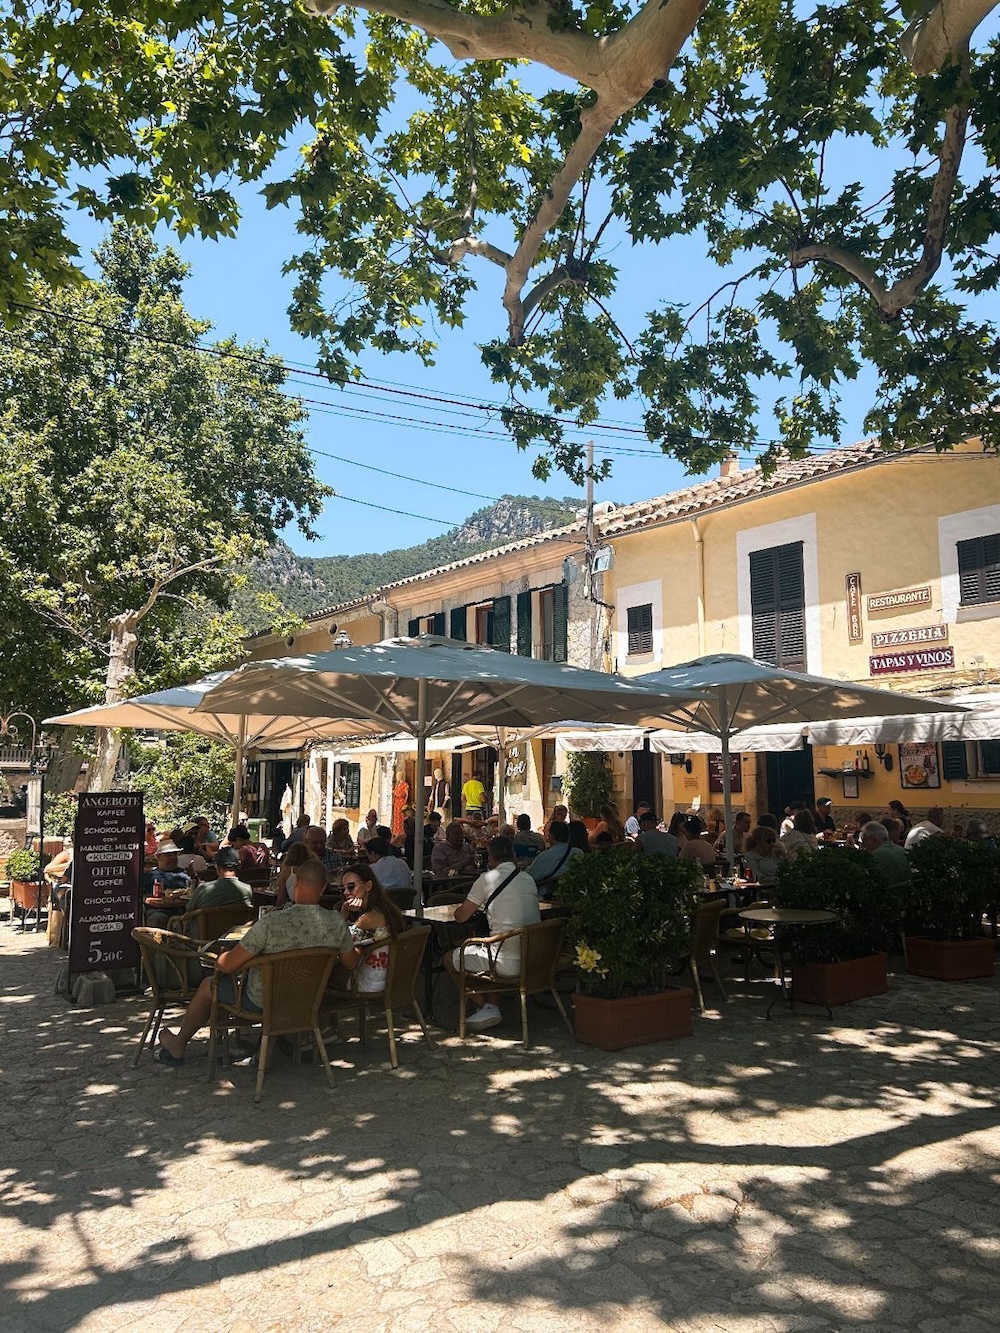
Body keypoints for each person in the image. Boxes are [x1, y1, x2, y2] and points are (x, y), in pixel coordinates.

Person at [155, 859, 354, 1066]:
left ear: (296, 885)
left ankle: (179, 1045)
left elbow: (227, 965)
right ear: (323, 888)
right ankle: (264, 1049)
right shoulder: (336, 922)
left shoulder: (271, 923)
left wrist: (221, 956)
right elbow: (349, 963)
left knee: (209, 985)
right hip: (308, 998)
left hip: (262, 1000)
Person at [444, 836, 541, 1029]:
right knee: (487, 942)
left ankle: (487, 1006)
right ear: (513, 855)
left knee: (449, 958)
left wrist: (455, 910)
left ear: (491, 858)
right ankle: (491, 1001)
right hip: (536, 959)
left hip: (506, 961)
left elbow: (462, 916)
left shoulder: (486, 880)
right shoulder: (528, 879)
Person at [332, 864, 406, 993]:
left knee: (321, 979)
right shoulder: (388, 910)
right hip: (390, 978)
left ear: (368, 886)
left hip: (370, 982)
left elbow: (337, 940)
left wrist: (344, 912)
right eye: (342, 889)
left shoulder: (368, 919)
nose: (345, 893)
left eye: (351, 887)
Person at [182, 846, 252, 922]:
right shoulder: (248, 890)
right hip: (235, 932)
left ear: (217, 867)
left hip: (204, 932)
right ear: (239, 866)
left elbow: (188, 908)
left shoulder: (203, 889)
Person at [527, 820, 582, 892]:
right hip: (571, 894)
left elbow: (528, 876)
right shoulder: (578, 853)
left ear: (551, 836)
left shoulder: (544, 856)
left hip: (546, 896)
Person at [860, 820, 912, 887]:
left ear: (873, 839)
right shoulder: (901, 850)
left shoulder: (877, 854)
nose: (863, 845)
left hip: (890, 894)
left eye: (864, 840)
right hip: (907, 893)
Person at [276, 842, 319, 908]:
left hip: (294, 908)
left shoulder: (286, 871)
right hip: (314, 907)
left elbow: (281, 898)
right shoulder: (314, 869)